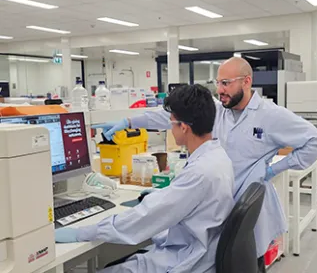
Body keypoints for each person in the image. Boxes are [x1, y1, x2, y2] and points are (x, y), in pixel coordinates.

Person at [99, 57, 317, 272]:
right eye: (218, 83)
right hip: (215, 210)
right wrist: (129, 121)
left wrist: (273, 169)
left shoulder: (271, 115)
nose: (220, 90)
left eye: (226, 83)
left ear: (247, 82)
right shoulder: (219, 110)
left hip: (239, 217)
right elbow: (168, 117)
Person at [55, 84, 235, 273]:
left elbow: (144, 218)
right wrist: (163, 194)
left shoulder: (201, 171)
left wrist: (83, 232)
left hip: (185, 259)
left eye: (171, 123)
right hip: (196, 249)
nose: (170, 129)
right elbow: (187, 199)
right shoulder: (217, 156)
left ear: (183, 127)